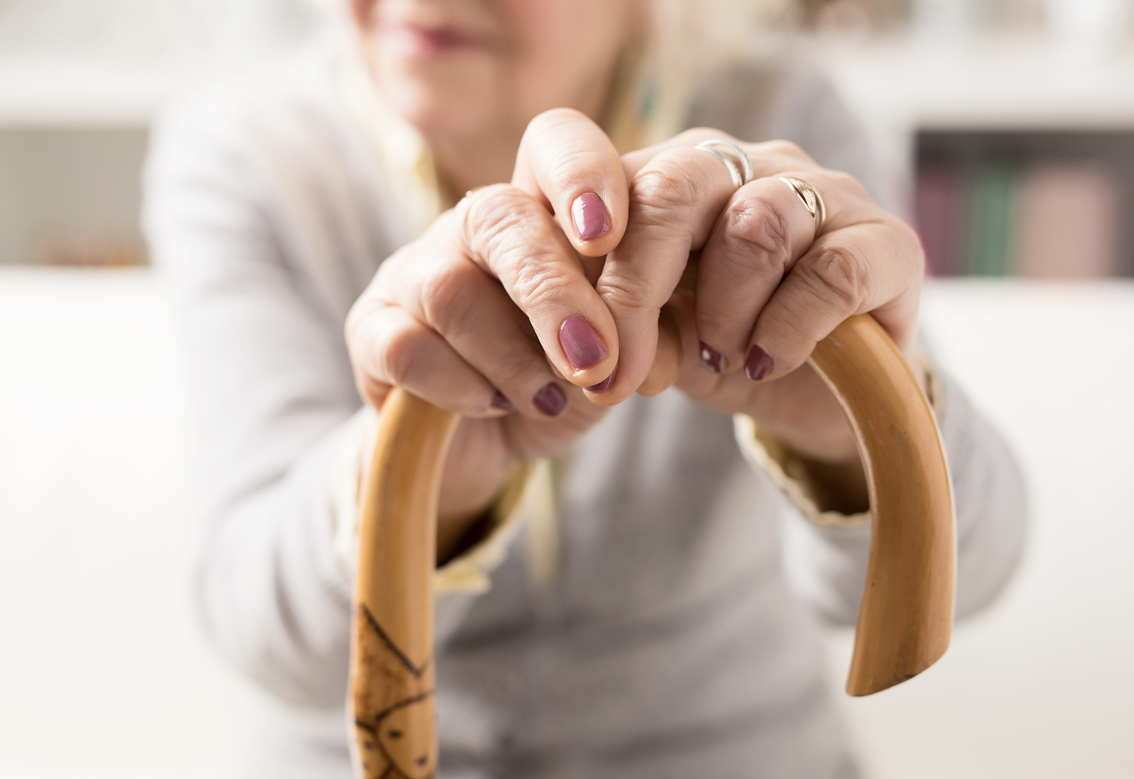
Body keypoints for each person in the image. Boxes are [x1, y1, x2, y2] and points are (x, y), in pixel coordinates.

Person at [144, 1, 1027, 776]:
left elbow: (971, 572)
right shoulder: (245, 154)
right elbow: (269, 635)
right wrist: (428, 491)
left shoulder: (782, 113)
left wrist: (850, 433)